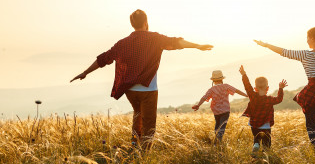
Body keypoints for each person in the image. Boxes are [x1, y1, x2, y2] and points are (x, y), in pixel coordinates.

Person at [71, 9, 213, 150]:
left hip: (130, 90)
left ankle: (134, 146)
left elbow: (104, 59)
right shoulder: (155, 39)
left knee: (137, 115)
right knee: (149, 123)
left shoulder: (123, 43)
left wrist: (85, 72)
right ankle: (144, 153)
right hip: (148, 90)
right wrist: (197, 46)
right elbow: (176, 42)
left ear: (132, 24)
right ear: (146, 22)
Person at [239, 65, 287, 155]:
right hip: (265, 125)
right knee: (266, 143)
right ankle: (265, 154)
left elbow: (247, 85)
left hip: (254, 124)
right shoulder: (270, 99)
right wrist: (280, 88)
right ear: (267, 88)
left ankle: (256, 144)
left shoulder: (252, 96)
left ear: (255, 88)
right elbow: (279, 99)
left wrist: (244, 74)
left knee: (256, 137)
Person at [192, 70, 247, 144]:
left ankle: (216, 142)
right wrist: (246, 95)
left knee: (217, 125)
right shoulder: (226, 86)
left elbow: (204, 97)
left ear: (213, 81)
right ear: (222, 79)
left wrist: (198, 105)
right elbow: (237, 91)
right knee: (222, 126)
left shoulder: (211, 89)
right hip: (225, 111)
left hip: (216, 111)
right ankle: (218, 142)